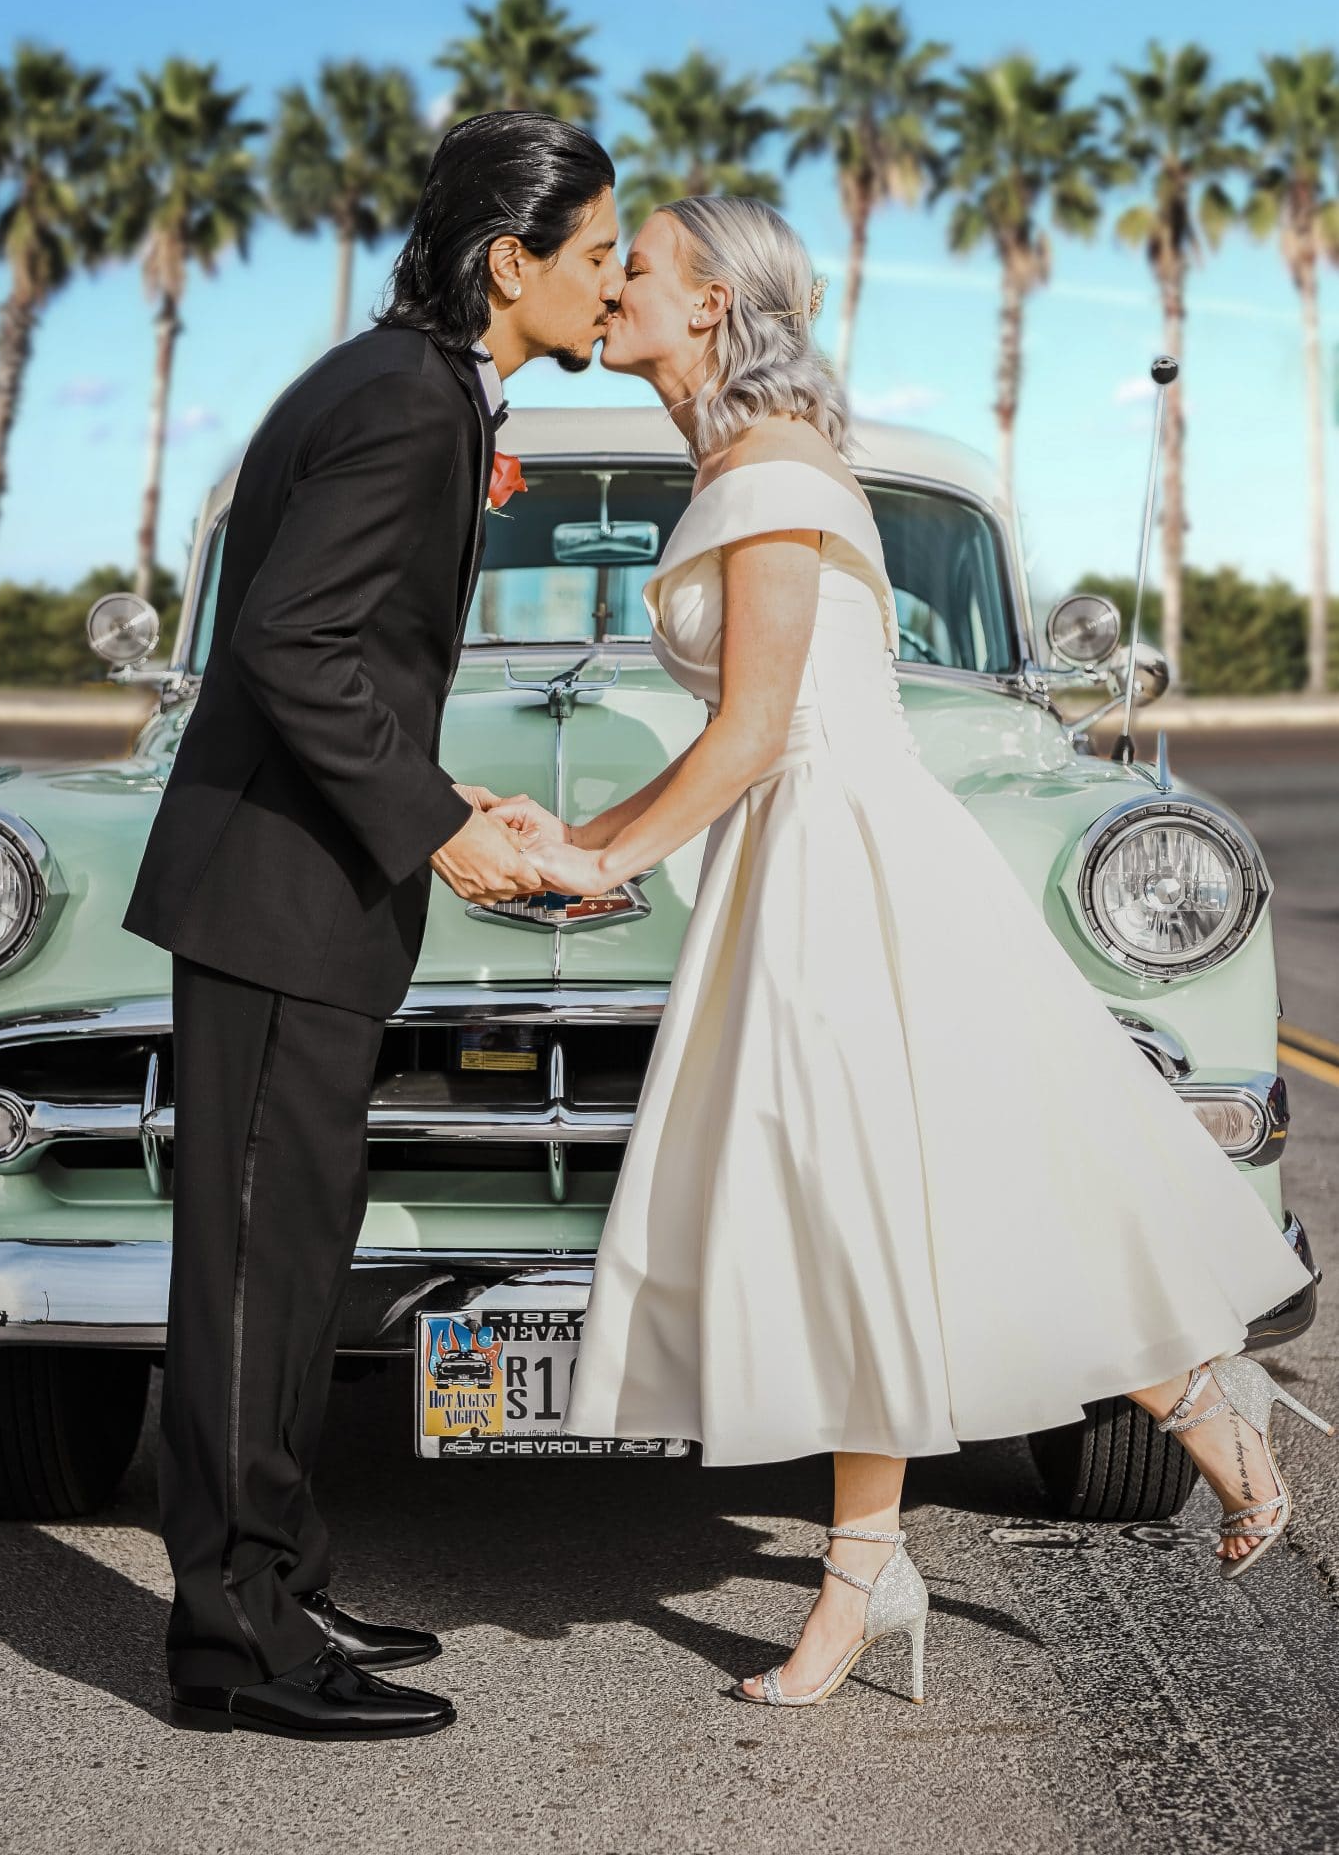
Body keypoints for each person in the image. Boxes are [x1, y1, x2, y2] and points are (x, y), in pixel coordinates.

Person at [493, 194, 1327, 1711]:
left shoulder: (774, 470)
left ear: (716, 309)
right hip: (797, 857)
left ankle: (936, 1535)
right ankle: (944, 1531)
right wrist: (579, 837)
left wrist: (597, 852)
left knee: (884, 1203)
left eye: (643, 267)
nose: (611, 285)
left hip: (844, 863)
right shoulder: (730, 461)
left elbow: (753, 733)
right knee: (873, 1211)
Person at [121, 111, 624, 1740]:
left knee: (291, 1258)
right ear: (512, 262)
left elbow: (336, 662)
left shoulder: (397, 381)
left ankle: (284, 1569)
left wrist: (459, 802)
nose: (612, 289)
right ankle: (236, 1643)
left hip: (306, 894)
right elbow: (289, 647)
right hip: (281, 899)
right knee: (260, 1281)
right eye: (598, 257)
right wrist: (444, 831)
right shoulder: (411, 404)